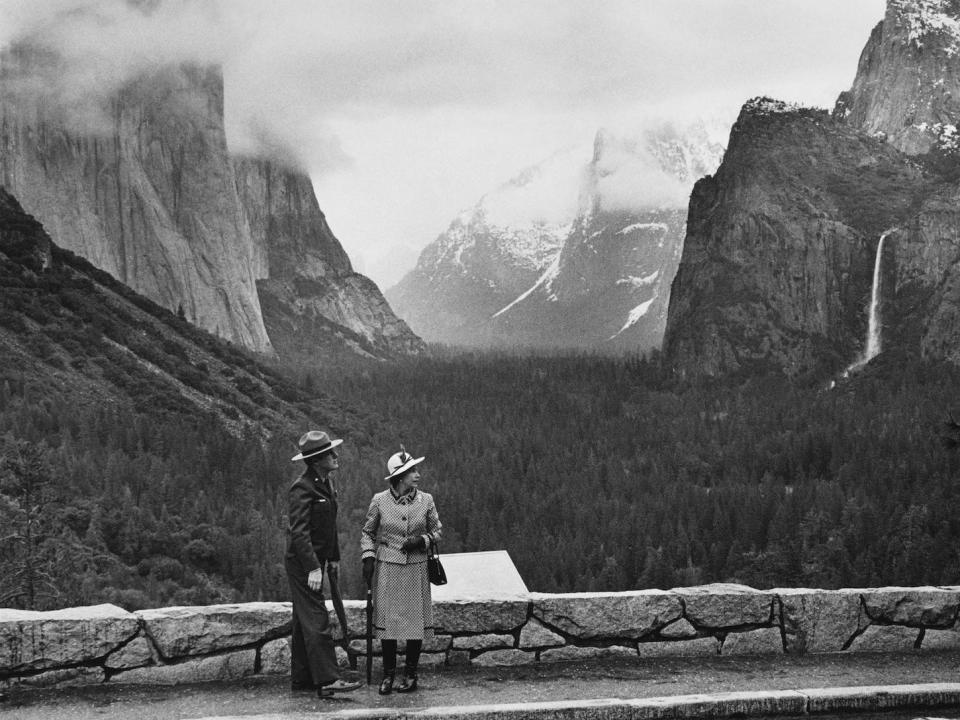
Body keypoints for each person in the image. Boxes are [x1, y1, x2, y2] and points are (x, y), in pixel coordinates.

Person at [286, 430, 362, 698]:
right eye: (331, 453)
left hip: (319, 560)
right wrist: (313, 568)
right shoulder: (303, 487)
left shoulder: (325, 483)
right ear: (318, 459)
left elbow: (329, 528)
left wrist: (334, 559)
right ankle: (328, 680)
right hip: (302, 564)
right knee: (317, 618)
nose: (336, 455)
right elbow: (299, 533)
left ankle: (303, 678)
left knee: (302, 620)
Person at [361, 446, 442, 695]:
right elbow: (367, 532)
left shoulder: (426, 500)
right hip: (389, 566)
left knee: (414, 623)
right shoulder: (380, 501)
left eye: (416, 470)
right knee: (388, 623)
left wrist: (423, 540)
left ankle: (411, 674)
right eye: (412, 471)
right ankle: (388, 675)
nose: (417, 474)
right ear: (399, 476)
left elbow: (438, 530)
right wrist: (368, 556)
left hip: (417, 567)